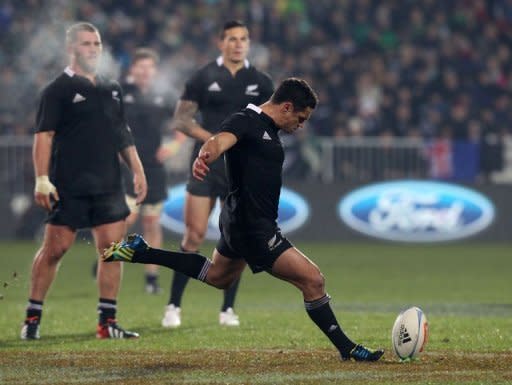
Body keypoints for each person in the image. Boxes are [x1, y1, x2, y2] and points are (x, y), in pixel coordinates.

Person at [103, 78, 384, 361]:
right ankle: (347, 348)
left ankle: (143, 252)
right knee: (314, 281)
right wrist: (205, 155)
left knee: (218, 277)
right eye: (300, 118)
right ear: (287, 107)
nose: (300, 125)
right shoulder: (247, 120)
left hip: (238, 220)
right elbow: (219, 140)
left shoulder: (267, 127)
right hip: (253, 228)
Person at [21, 22, 147, 340]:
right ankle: (32, 319)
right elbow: (44, 136)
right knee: (55, 249)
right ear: (71, 48)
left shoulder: (111, 88)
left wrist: (137, 168)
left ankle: (107, 324)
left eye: (96, 44)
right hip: (70, 184)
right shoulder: (57, 90)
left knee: (111, 251)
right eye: (86, 44)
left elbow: (121, 132)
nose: (93, 49)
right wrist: (41, 179)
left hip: (108, 184)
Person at [164, 20, 274, 327]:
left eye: (244, 39)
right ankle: (173, 305)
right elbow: (181, 120)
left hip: (241, 171)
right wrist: (213, 140)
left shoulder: (261, 81)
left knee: (236, 239)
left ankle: (227, 309)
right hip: (206, 164)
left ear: (248, 44)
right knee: (194, 235)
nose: (238, 44)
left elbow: (272, 123)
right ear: (220, 43)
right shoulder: (203, 76)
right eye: (232, 39)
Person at [121, 47, 174, 294]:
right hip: (127, 167)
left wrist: (174, 144)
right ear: (133, 69)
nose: (144, 71)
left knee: (151, 223)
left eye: (149, 67)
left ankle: (151, 278)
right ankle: (109, 258)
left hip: (154, 168)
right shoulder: (120, 93)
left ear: (154, 71)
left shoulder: (163, 96)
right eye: (140, 66)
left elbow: (184, 121)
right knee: (125, 220)